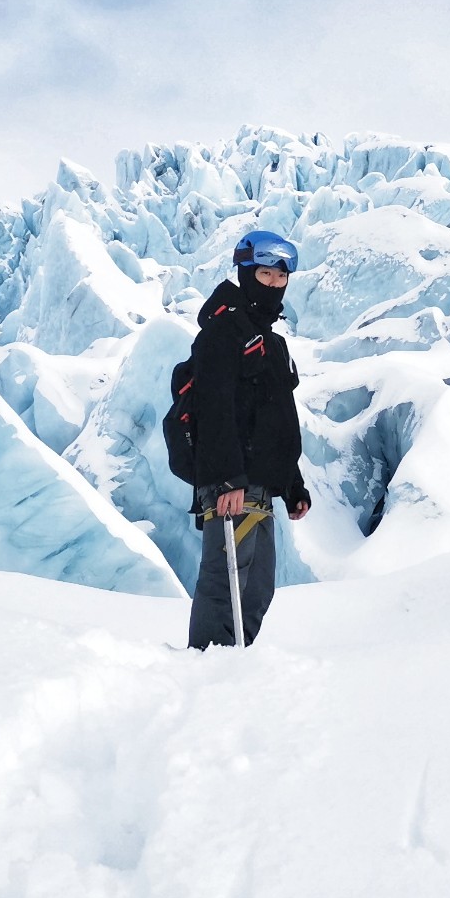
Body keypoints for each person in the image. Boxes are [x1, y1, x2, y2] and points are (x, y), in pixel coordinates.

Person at [186, 230, 310, 649]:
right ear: (244, 272)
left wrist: (292, 486)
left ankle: (233, 667)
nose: (274, 283)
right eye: (264, 273)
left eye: (281, 276)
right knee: (226, 587)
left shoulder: (272, 343)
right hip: (231, 484)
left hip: (258, 485)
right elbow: (213, 408)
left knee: (256, 590)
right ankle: (202, 668)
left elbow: (276, 421)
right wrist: (226, 480)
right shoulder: (222, 333)